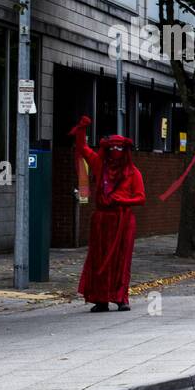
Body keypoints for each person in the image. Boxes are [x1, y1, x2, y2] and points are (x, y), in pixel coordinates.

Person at [70, 116, 145, 312]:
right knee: (99, 258)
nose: (115, 152)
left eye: (120, 148)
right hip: (102, 220)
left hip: (122, 219)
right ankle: (100, 298)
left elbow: (141, 198)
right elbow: (82, 149)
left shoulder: (133, 172)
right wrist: (82, 129)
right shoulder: (99, 165)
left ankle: (120, 297)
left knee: (121, 258)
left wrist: (123, 201)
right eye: (112, 148)